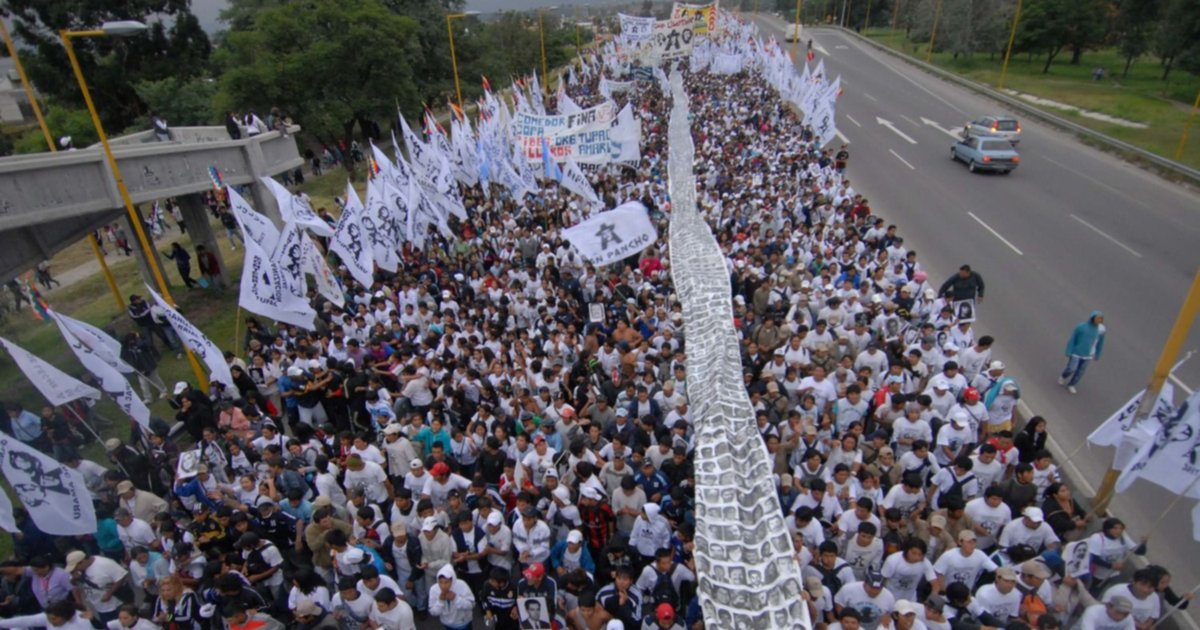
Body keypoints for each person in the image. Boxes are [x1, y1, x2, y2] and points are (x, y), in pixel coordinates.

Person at [1060, 310, 1105, 393]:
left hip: (1088, 355)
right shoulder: (1081, 327)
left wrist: (1097, 354)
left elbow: (1100, 342)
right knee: (1072, 368)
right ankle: (1063, 376)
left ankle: (1071, 384)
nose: (1099, 320)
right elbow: (1073, 338)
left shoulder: (1101, 330)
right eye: (1098, 318)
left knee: (1080, 371)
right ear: (1092, 318)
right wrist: (1069, 350)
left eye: (1101, 319)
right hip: (1076, 353)